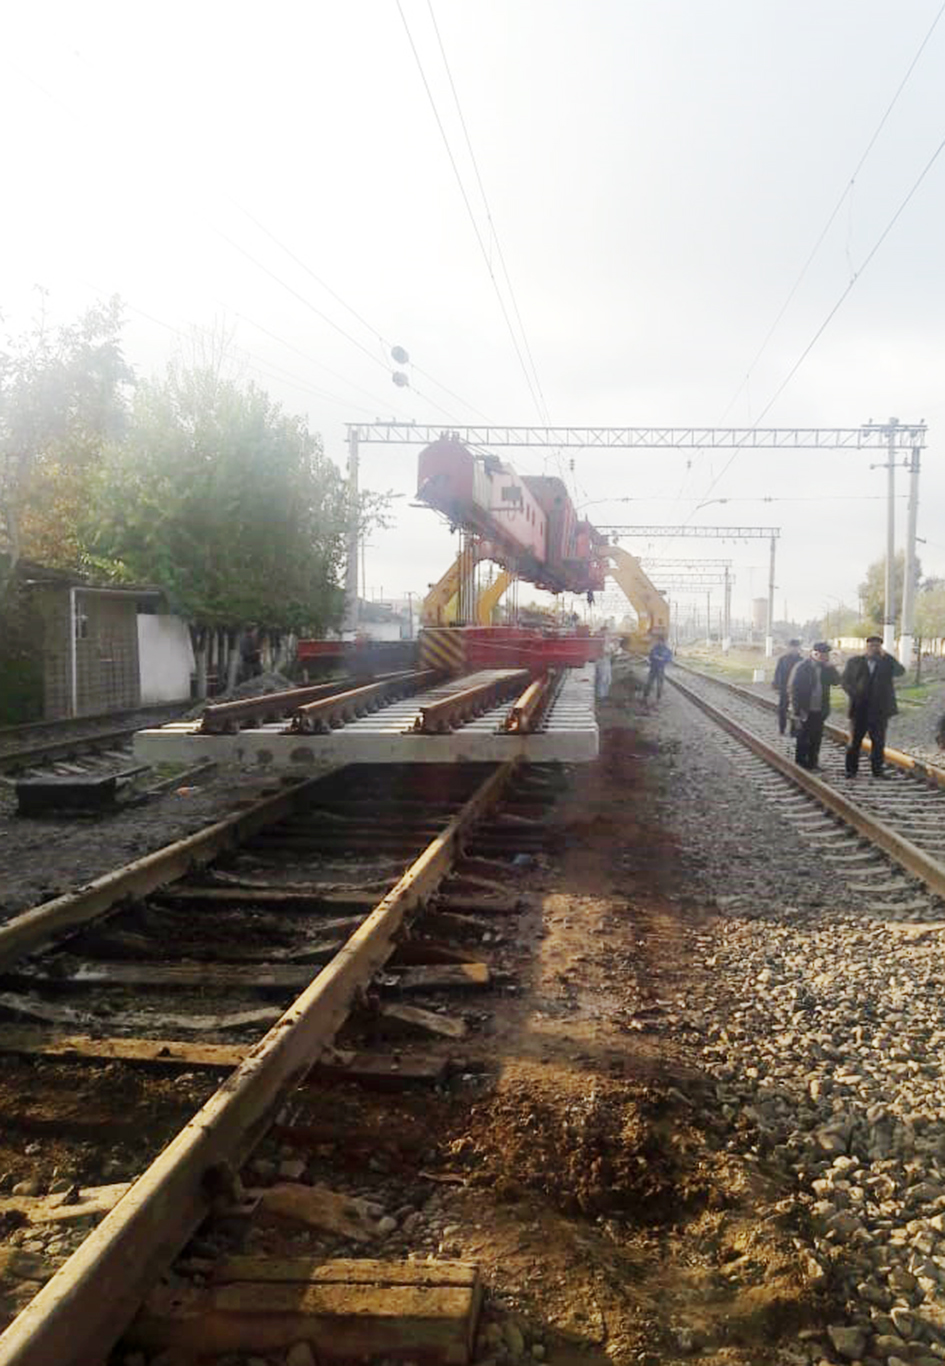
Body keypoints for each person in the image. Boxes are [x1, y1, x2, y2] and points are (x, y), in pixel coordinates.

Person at [841, 635, 905, 778]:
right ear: (866, 647)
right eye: (871, 646)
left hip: (880, 710)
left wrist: (887, 656)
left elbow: (900, 671)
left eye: (877, 646)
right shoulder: (855, 662)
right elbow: (845, 681)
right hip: (859, 709)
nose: (874, 649)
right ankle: (851, 770)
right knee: (855, 741)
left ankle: (877, 770)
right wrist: (855, 694)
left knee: (878, 742)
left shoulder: (886, 662)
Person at [790, 642, 841, 771]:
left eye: (827, 655)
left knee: (816, 737)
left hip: (820, 709)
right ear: (815, 654)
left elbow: (836, 681)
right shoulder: (802, 667)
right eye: (823, 655)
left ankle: (813, 763)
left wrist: (831, 668)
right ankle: (801, 763)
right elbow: (794, 689)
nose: (826, 657)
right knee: (803, 737)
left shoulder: (826, 668)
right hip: (805, 708)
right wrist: (797, 710)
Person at [772, 638, 803, 735]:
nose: (794, 649)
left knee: (796, 710)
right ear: (788, 648)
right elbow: (778, 673)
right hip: (784, 688)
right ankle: (782, 728)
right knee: (782, 709)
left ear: (799, 648)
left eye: (796, 647)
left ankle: (793, 730)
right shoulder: (782, 659)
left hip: (797, 689)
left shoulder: (802, 661)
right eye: (792, 647)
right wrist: (776, 685)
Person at [643, 636, 673, 702]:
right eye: (659, 641)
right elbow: (650, 657)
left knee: (659, 684)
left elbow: (670, 658)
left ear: (664, 642)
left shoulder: (667, 650)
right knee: (649, 683)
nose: (660, 643)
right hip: (653, 668)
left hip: (661, 669)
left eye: (661, 642)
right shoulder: (654, 648)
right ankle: (645, 696)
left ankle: (658, 698)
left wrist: (663, 659)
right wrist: (655, 658)